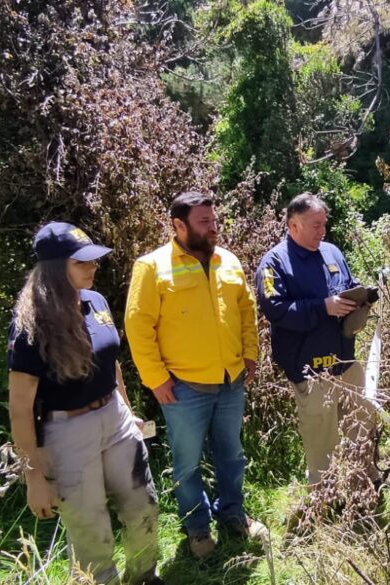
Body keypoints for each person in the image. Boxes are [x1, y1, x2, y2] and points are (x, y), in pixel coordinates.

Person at [7, 222, 161, 585]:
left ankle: (143, 577)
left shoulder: (96, 301)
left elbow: (112, 364)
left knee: (144, 505)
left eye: (93, 260)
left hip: (115, 418)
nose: (94, 267)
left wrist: (126, 410)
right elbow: (19, 407)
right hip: (68, 432)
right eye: (83, 262)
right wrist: (33, 476)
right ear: (56, 268)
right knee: (91, 529)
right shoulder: (32, 326)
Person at [124, 191, 266, 560]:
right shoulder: (153, 266)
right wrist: (156, 378)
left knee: (232, 455)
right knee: (186, 465)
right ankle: (197, 528)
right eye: (204, 222)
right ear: (178, 225)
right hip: (185, 388)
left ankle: (233, 513)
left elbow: (246, 312)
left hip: (231, 382)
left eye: (214, 220)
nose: (213, 227)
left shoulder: (229, 261)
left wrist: (250, 353)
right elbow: (138, 326)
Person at [255, 193, 379, 494]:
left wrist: (361, 300)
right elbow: (276, 309)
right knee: (321, 440)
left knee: (363, 425)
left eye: (324, 224)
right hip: (310, 369)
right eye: (315, 225)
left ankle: (365, 489)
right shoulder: (274, 262)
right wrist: (323, 307)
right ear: (293, 225)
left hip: (346, 362)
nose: (322, 231)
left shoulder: (332, 252)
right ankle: (324, 500)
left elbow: (347, 289)